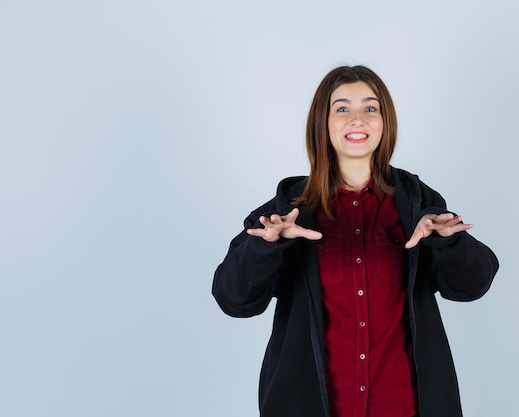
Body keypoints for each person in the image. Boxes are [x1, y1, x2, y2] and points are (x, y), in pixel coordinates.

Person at [212, 65, 499, 417]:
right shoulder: (288, 210)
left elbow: (471, 286)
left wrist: (447, 242)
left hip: (402, 408)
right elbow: (234, 300)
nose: (357, 119)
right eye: (342, 108)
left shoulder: (417, 205)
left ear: (384, 122)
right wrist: (266, 247)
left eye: (370, 107)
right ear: (323, 123)